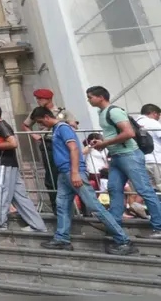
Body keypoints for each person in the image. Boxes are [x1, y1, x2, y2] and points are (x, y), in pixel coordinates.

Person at [30, 107, 137, 255]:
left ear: (47, 117)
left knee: (95, 206)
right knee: (62, 206)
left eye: (40, 122)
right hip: (64, 172)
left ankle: (124, 240)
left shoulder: (62, 128)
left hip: (71, 171)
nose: (40, 125)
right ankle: (62, 238)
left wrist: (75, 173)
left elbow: (74, 149)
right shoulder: (56, 129)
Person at [87, 86, 161, 237]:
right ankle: (114, 223)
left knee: (144, 190)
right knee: (114, 189)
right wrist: (103, 143)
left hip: (129, 155)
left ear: (100, 97)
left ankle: (158, 226)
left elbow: (128, 132)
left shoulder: (113, 111)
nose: (89, 100)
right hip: (117, 156)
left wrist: (105, 144)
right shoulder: (102, 112)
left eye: (90, 97)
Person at [0, 104, 46, 232]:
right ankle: (38, 225)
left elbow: (13, 143)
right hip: (9, 165)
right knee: (20, 196)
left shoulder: (1, 126)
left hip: (4, 163)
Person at [21, 89, 78, 213]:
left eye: (40, 98)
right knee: (51, 176)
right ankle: (56, 208)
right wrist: (34, 135)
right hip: (48, 144)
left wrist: (68, 125)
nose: (38, 101)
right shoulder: (36, 112)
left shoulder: (62, 112)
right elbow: (25, 124)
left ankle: (77, 208)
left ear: (48, 99)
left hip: (62, 143)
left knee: (68, 173)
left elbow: (74, 125)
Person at [138, 103, 161, 190]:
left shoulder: (134, 123)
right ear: (154, 113)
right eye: (159, 115)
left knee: (147, 189)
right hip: (156, 159)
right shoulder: (152, 122)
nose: (159, 118)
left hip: (141, 160)